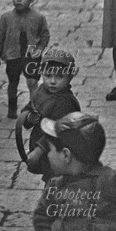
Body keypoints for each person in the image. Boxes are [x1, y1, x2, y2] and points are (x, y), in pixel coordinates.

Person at [19, 48, 80, 180]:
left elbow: (56, 131)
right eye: (48, 75)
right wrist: (29, 118)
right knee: (51, 177)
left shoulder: (65, 102)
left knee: (56, 178)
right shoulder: (42, 90)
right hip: (47, 151)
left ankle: (54, 198)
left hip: (60, 150)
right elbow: (28, 108)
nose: (52, 81)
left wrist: (38, 152)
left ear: (70, 77)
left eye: (60, 76)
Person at [0, 0, 50, 119]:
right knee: (13, 82)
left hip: (32, 56)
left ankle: (34, 108)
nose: (18, 0)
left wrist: (40, 49)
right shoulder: (6, 17)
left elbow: (45, 35)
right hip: (13, 55)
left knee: (32, 82)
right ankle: (12, 108)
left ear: (32, 0)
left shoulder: (39, 17)